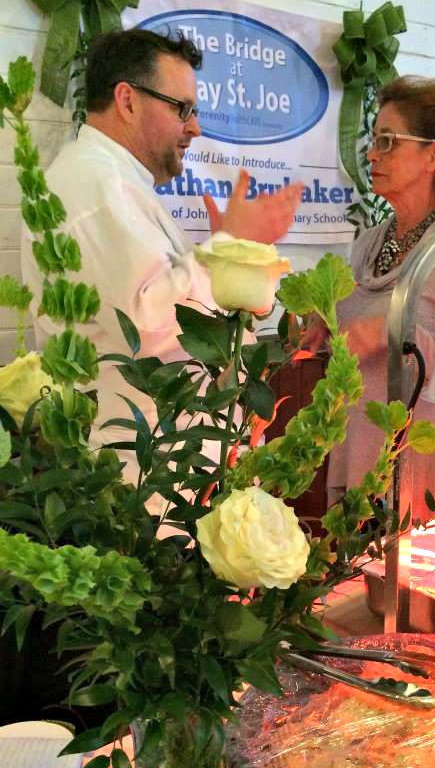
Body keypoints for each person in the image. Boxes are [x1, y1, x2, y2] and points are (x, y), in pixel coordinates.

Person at [21, 28, 302, 459]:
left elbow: (161, 301)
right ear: (128, 100)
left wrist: (228, 258)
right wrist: (229, 246)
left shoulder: (114, 183)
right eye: (182, 108)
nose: (194, 127)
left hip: (162, 459)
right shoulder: (97, 185)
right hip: (143, 471)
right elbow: (147, 324)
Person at [305, 76, 435, 522]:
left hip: (420, 455)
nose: (372, 154)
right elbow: (349, 339)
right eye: (373, 140)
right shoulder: (369, 242)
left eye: (388, 141)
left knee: (408, 587)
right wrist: (319, 322)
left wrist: (393, 330)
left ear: (433, 156)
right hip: (354, 441)